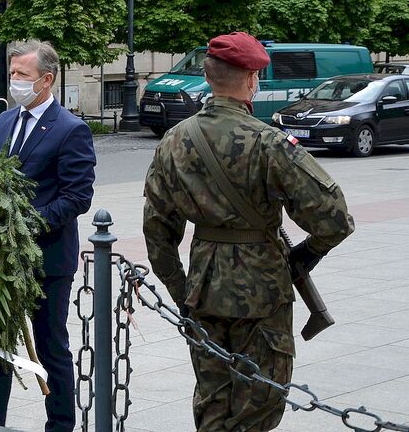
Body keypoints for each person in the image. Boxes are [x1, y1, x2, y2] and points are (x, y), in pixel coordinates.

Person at [142, 31, 355, 431]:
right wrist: (305, 254)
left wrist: (182, 291)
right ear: (252, 79)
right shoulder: (269, 142)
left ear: (207, 78)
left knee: (212, 403)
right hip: (263, 292)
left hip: (203, 288)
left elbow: (157, 231)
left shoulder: (173, 141)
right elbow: (335, 218)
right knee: (258, 405)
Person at [0, 40, 96, 432]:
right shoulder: (4, 121)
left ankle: (61, 425)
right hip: (1, 260)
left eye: (22, 75)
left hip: (47, 258)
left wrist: (24, 226)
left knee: (51, 348)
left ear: (46, 80)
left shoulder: (71, 129)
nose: (14, 81)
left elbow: (76, 197)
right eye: (12, 73)